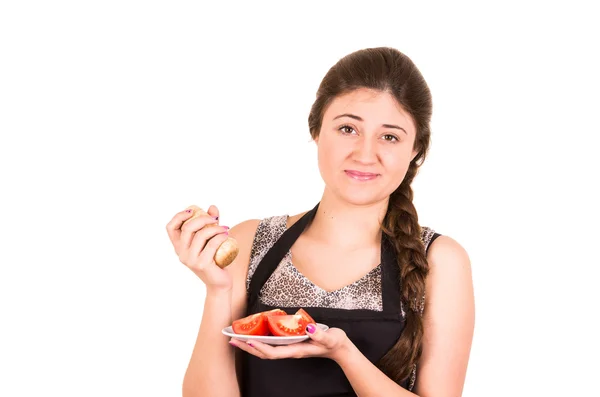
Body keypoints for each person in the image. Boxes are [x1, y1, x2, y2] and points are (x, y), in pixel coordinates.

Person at [166, 47, 475, 397]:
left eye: (389, 136)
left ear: (416, 148)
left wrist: (344, 354)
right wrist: (218, 291)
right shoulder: (253, 241)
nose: (364, 153)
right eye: (348, 129)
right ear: (316, 129)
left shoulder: (440, 260)